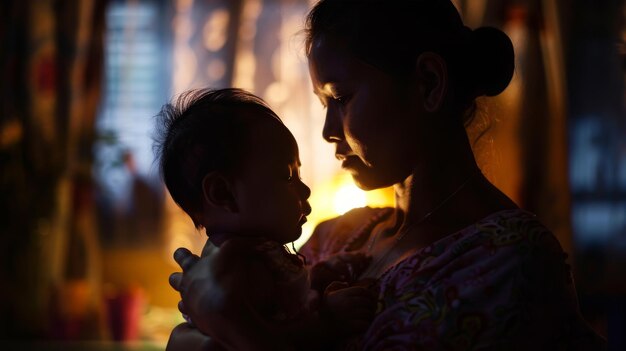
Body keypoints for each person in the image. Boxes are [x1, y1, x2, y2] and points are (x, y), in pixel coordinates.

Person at [167, 0, 606, 349]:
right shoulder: (337, 237)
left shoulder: (507, 263)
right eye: (324, 105)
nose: (327, 132)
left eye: (342, 98)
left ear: (429, 83)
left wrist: (228, 320)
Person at [154, 88, 377, 350]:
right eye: (287, 176)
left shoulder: (258, 253)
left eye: (298, 174)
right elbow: (275, 336)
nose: (304, 190)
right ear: (223, 193)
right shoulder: (233, 268)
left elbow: (284, 296)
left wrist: (319, 274)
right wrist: (329, 318)